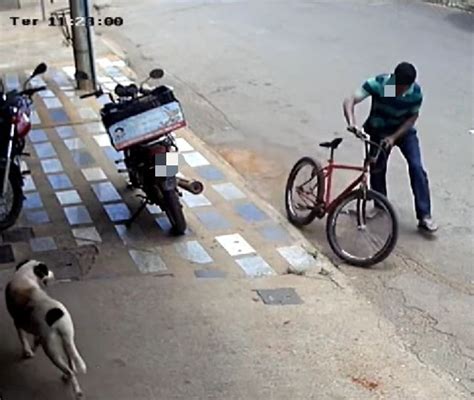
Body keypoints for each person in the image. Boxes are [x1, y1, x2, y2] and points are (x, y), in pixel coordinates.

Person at [343, 62, 438, 233]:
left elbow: (412, 117)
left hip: (403, 133)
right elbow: (350, 100)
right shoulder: (381, 85)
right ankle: (380, 205)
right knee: (377, 167)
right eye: (397, 87)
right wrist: (352, 123)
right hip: (379, 131)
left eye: (403, 89)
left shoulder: (415, 93)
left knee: (417, 167)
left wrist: (394, 137)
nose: (399, 92)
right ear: (393, 80)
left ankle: (424, 215)